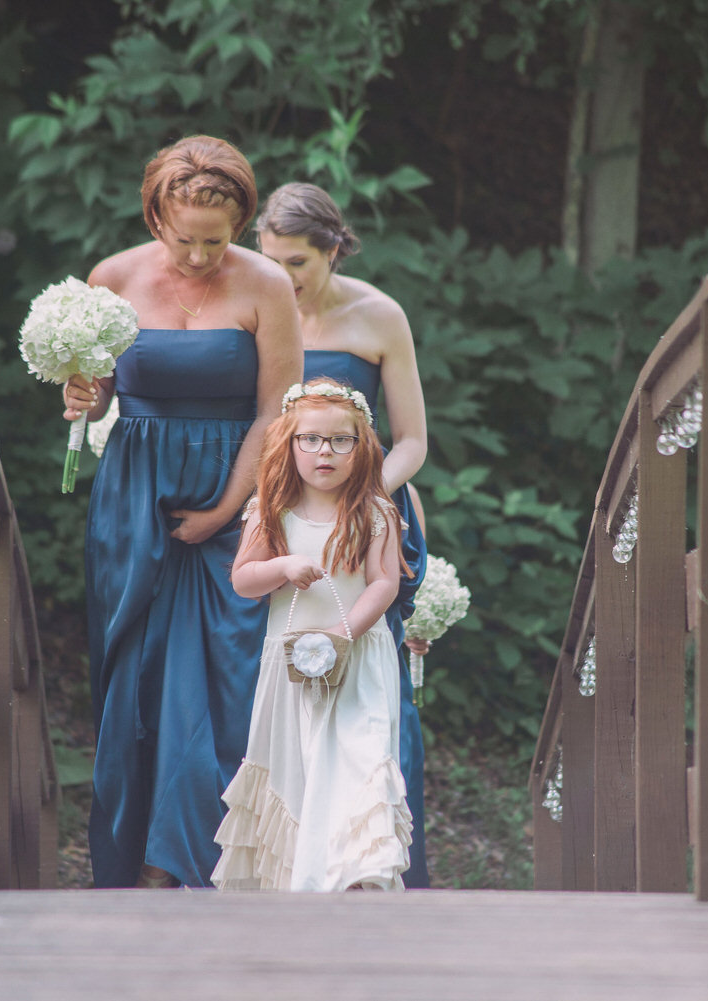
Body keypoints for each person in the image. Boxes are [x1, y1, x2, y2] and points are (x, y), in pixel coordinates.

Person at [61, 135, 300, 888]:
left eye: (217, 242)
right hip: (135, 499)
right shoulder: (113, 276)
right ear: (157, 215)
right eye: (185, 240)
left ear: (241, 224)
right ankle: (135, 863)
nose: (200, 257)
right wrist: (80, 394)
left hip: (239, 497)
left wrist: (229, 508)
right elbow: (100, 389)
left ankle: (199, 865)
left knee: (221, 683)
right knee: (134, 676)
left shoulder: (266, 286)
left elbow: (277, 411)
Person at [254, 183, 433, 886]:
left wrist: (365, 499)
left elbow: (413, 439)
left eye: (295, 262)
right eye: (269, 261)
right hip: (286, 519)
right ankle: (294, 860)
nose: (282, 277)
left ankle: (379, 863)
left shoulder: (380, 315)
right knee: (283, 676)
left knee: (372, 679)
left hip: (372, 512)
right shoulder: (260, 310)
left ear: (332, 248)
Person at [212, 378, 413, 891]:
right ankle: (302, 879)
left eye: (341, 440)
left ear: (360, 447)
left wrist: (342, 631)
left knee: (358, 755)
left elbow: (384, 582)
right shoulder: (269, 511)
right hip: (293, 663)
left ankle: (359, 876)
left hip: (356, 658)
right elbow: (243, 580)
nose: (326, 451)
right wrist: (282, 564)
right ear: (290, 444)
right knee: (298, 765)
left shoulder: (374, 512)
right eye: (312, 439)